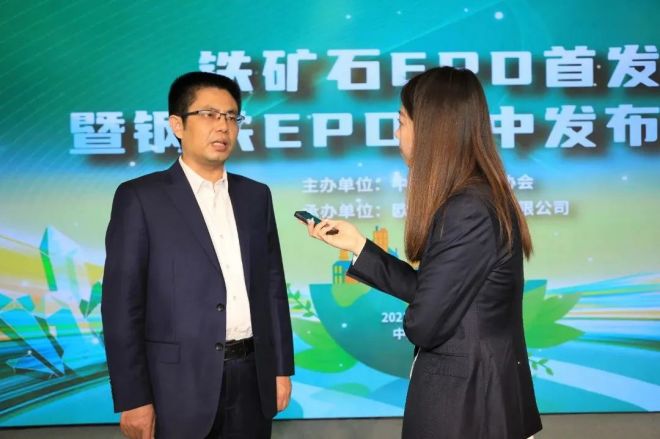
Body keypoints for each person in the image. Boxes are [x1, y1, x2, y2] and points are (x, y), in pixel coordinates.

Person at [305, 67, 542, 439]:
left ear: (432, 129)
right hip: (476, 399)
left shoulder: (466, 209)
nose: (396, 133)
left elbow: (425, 323)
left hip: (469, 406)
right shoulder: (473, 198)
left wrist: (420, 314)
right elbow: (436, 290)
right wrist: (359, 246)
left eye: (401, 121)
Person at [102, 71, 294, 439]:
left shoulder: (256, 196)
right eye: (208, 114)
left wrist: (281, 368)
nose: (222, 126)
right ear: (177, 125)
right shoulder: (140, 198)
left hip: (252, 377)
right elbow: (121, 307)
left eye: (231, 116)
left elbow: (273, 288)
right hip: (176, 386)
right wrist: (133, 398)